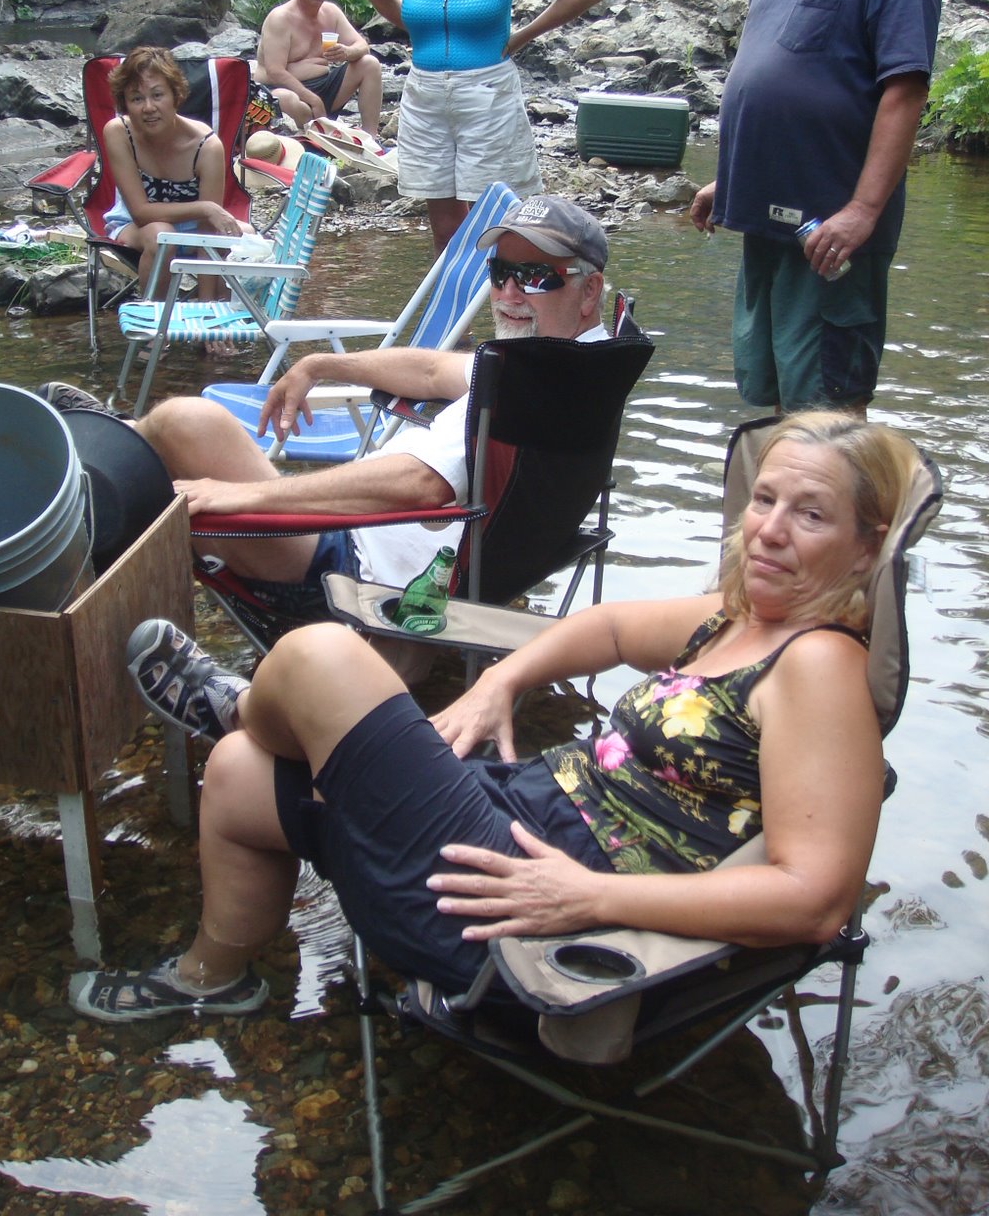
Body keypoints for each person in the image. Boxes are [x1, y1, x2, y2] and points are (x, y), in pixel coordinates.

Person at [67, 409, 920, 1020]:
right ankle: (212, 978)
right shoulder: (738, 621)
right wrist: (496, 684)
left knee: (324, 656)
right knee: (241, 776)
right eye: (764, 501)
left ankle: (245, 706)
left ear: (867, 546)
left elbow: (815, 900)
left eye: (810, 514)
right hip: (521, 820)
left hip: (529, 904)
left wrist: (587, 896)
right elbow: (607, 626)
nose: (769, 530)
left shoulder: (819, 666)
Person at [41, 195, 610, 614]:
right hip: (385, 541)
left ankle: (87, 479)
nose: (508, 294)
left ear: (589, 290)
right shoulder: (570, 364)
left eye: (536, 277)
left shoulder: (534, 386)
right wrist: (322, 364)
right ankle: (109, 452)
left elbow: (420, 486)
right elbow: (434, 370)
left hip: (358, 573)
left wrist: (243, 495)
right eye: (501, 273)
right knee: (180, 438)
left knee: (183, 432)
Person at [690, 0, 943, 413]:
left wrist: (862, 211)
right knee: (776, 403)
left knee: (830, 414)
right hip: (767, 224)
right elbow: (785, 76)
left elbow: (904, 93)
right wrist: (733, 181)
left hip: (833, 239)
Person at [364, 0, 602, 256]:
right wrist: (418, 29)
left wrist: (521, 37)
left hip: (487, 94)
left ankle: (499, 295)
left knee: (491, 223)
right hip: (425, 96)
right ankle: (455, 303)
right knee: (444, 230)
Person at [99, 46, 247, 296]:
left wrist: (205, 302)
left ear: (175, 95)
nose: (148, 107)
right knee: (162, 235)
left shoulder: (205, 146)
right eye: (136, 99)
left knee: (241, 238)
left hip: (194, 226)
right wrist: (205, 208)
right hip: (136, 224)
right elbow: (140, 213)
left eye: (157, 95)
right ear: (125, 103)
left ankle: (216, 314)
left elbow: (207, 232)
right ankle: (154, 319)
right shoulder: (118, 132)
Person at [252, 0, 383, 135]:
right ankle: (316, 132)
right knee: (285, 98)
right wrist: (313, 100)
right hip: (287, 91)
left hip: (324, 87)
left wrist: (347, 52)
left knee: (370, 64)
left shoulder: (331, 12)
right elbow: (275, 71)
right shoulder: (280, 18)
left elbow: (362, 46)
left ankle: (370, 137)